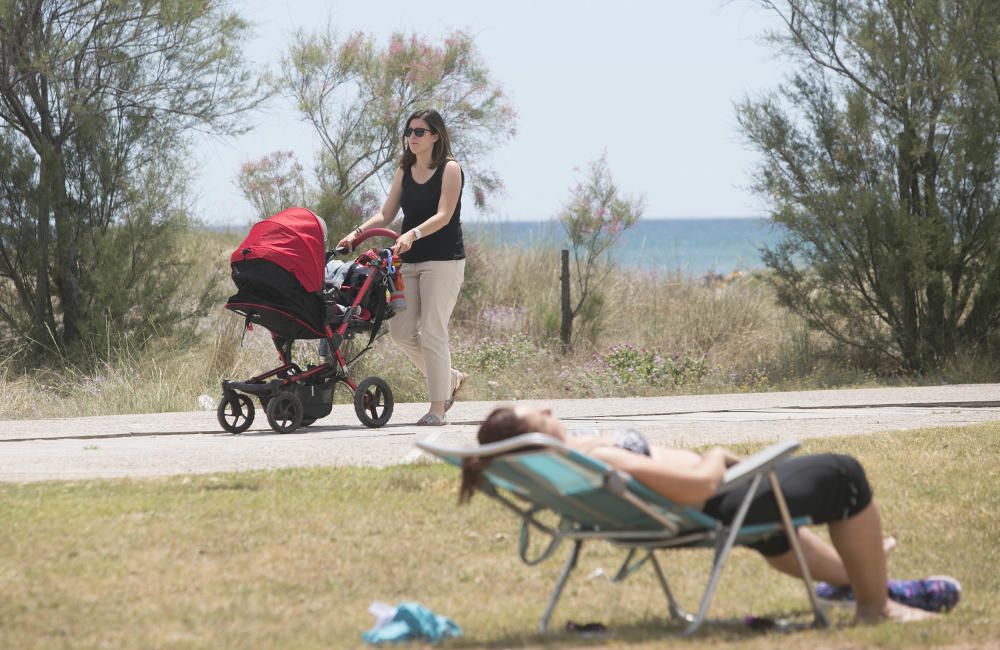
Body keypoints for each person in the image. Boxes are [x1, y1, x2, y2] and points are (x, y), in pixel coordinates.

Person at [460, 405, 961, 624]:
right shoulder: (600, 461)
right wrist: (719, 455)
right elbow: (699, 484)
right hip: (715, 503)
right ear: (542, 439)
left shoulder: (568, 464)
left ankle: (869, 577)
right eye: (541, 416)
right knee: (842, 474)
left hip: (704, 507)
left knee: (774, 534)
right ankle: (877, 606)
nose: (551, 408)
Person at [337, 109, 468, 426]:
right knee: (400, 332)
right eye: (409, 131)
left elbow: (444, 215)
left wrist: (413, 232)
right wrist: (356, 235)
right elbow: (385, 214)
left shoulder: (450, 169)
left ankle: (438, 408)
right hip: (408, 261)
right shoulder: (405, 168)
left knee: (434, 331)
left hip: (443, 261)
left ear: (435, 135)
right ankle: (449, 378)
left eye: (419, 131)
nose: (412, 137)